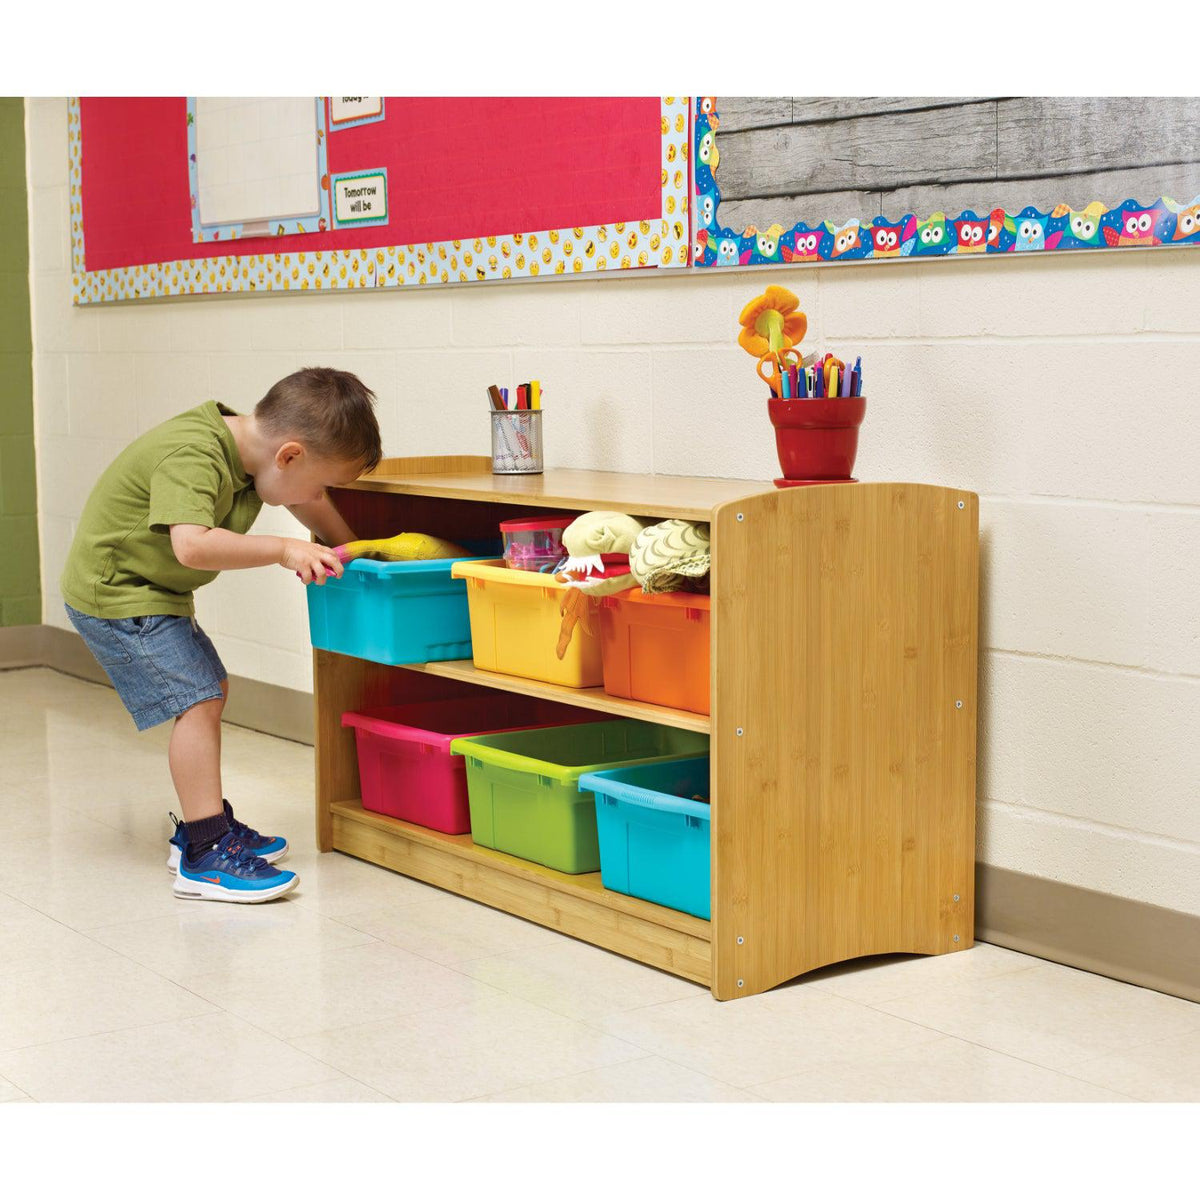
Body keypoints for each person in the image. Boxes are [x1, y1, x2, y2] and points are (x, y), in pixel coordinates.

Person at [60, 366, 382, 903]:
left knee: (210, 689)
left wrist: (362, 550)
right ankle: (205, 854)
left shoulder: (255, 451)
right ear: (291, 455)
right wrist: (284, 550)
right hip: (117, 592)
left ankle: (201, 826)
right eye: (325, 479)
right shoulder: (193, 454)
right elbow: (192, 546)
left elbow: (307, 501)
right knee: (199, 697)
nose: (322, 493)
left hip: (152, 590)